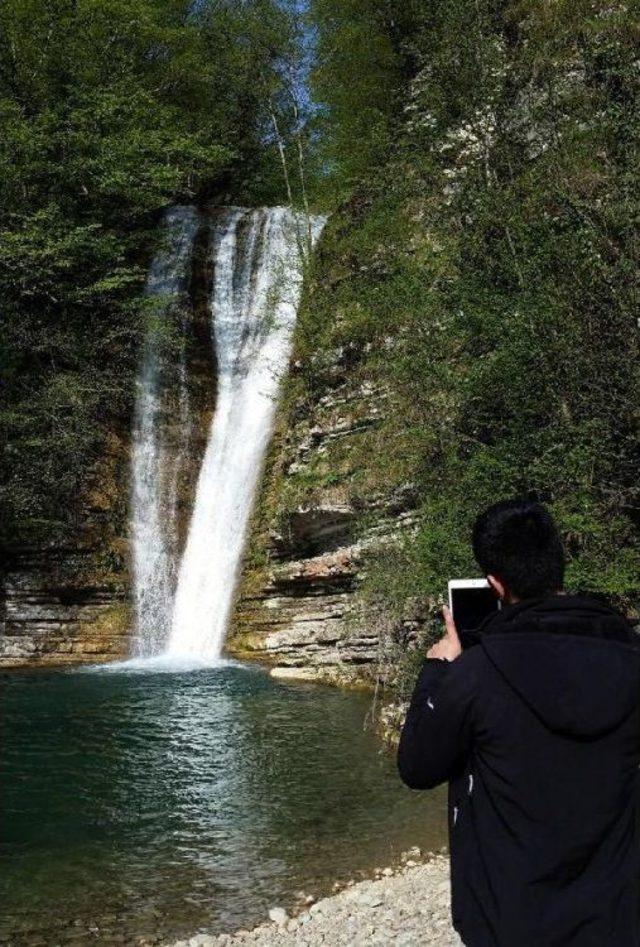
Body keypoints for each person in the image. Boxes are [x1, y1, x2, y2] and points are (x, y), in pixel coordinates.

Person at [398, 498, 640, 947]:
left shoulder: (476, 673)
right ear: (558, 564)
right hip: (616, 915)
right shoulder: (628, 656)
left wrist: (437, 670)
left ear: (495, 584)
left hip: (509, 918)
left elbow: (417, 767)